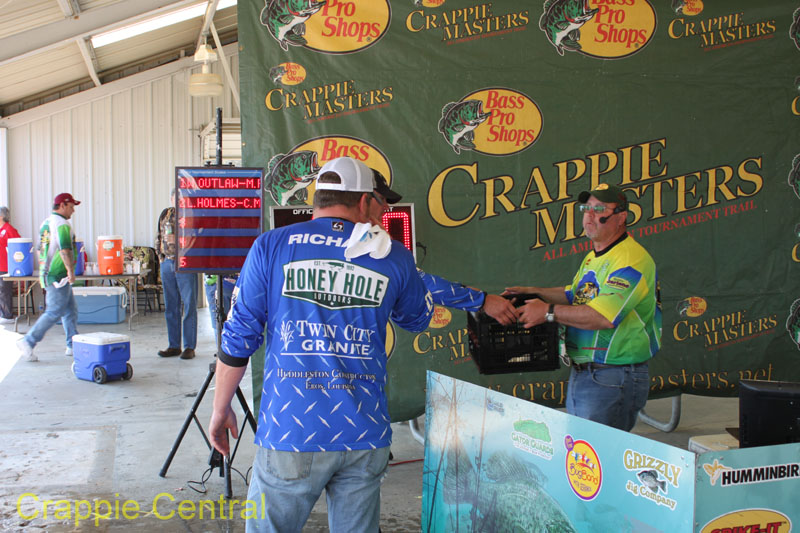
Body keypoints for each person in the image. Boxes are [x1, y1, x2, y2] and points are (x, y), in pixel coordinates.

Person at [208, 156, 434, 532]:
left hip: (290, 432)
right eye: (380, 203)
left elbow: (238, 338)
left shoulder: (271, 246)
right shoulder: (393, 255)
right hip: (363, 432)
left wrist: (220, 408)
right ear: (364, 201)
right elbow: (417, 318)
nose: (383, 212)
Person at [505, 183, 661, 431]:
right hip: (588, 373)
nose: (589, 215)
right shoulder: (595, 256)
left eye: (598, 209)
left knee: (597, 452)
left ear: (621, 216)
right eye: (585, 208)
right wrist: (533, 292)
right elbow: (575, 295)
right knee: (582, 449)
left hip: (612, 375)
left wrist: (547, 312)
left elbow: (602, 316)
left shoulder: (631, 260)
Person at [367, 168, 518, 325]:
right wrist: (482, 301)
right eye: (381, 199)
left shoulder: (367, 238)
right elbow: (418, 281)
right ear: (364, 198)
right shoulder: (367, 242)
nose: (386, 207)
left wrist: (471, 295)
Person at [15, 193, 81, 362]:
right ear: (63, 205)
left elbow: (39, 249)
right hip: (58, 275)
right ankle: (28, 341)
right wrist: (70, 271)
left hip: (48, 272)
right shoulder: (62, 225)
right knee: (54, 311)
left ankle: (73, 344)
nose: (73, 211)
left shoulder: (46, 223)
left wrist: (44, 269)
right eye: (71, 207)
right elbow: (65, 250)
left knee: (70, 310)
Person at [155, 188, 197, 360]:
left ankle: (189, 346)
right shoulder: (165, 214)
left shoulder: (191, 215)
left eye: (181, 199)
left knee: (189, 305)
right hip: (167, 262)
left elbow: (195, 237)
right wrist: (161, 258)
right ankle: (174, 345)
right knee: (171, 306)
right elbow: (158, 236)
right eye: (175, 199)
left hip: (185, 263)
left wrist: (179, 239)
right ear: (171, 199)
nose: (178, 202)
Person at [0, 206, 21, 324]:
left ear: (1, 216)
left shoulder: (9, 229)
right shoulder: (1, 230)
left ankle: (7, 315)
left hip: (5, 266)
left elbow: (18, 247)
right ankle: (2, 314)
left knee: (4, 290)